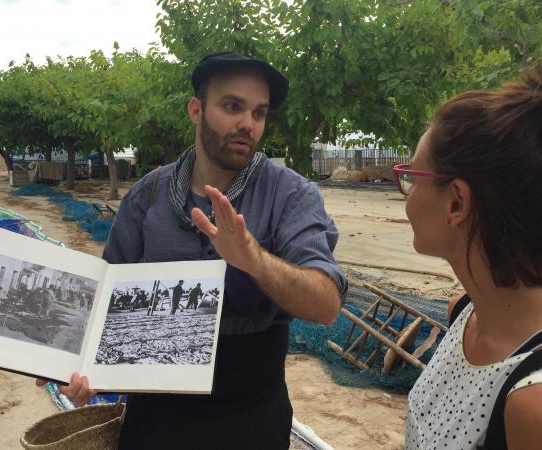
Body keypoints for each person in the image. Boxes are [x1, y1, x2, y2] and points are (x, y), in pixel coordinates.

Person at [40, 51, 347, 449]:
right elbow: (106, 301)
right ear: (196, 110)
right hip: (154, 420)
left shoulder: (290, 195)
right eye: (233, 106)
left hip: (250, 418)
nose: (247, 124)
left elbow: (326, 304)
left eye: (259, 113)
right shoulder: (147, 194)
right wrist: (79, 367)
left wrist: (255, 261)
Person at [395, 66, 542, 450]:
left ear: (456, 202)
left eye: (411, 176)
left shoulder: (534, 404)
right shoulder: (464, 312)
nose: (406, 196)